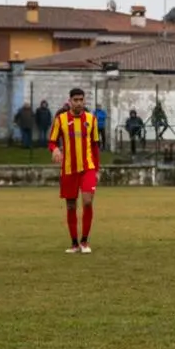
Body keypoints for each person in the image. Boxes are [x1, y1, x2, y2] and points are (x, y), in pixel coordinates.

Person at [48, 88, 100, 254]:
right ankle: (74, 243)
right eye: (75, 100)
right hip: (69, 169)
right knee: (71, 206)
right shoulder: (61, 119)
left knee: (87, 201)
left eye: (81, 100)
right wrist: (55, 150)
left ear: (84, 101)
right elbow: (52, 141)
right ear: (70, 101)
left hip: (88, 168)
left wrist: (97, 169)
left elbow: (95, 146)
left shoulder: (92, 119)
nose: (78, 103)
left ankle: (85, 241)